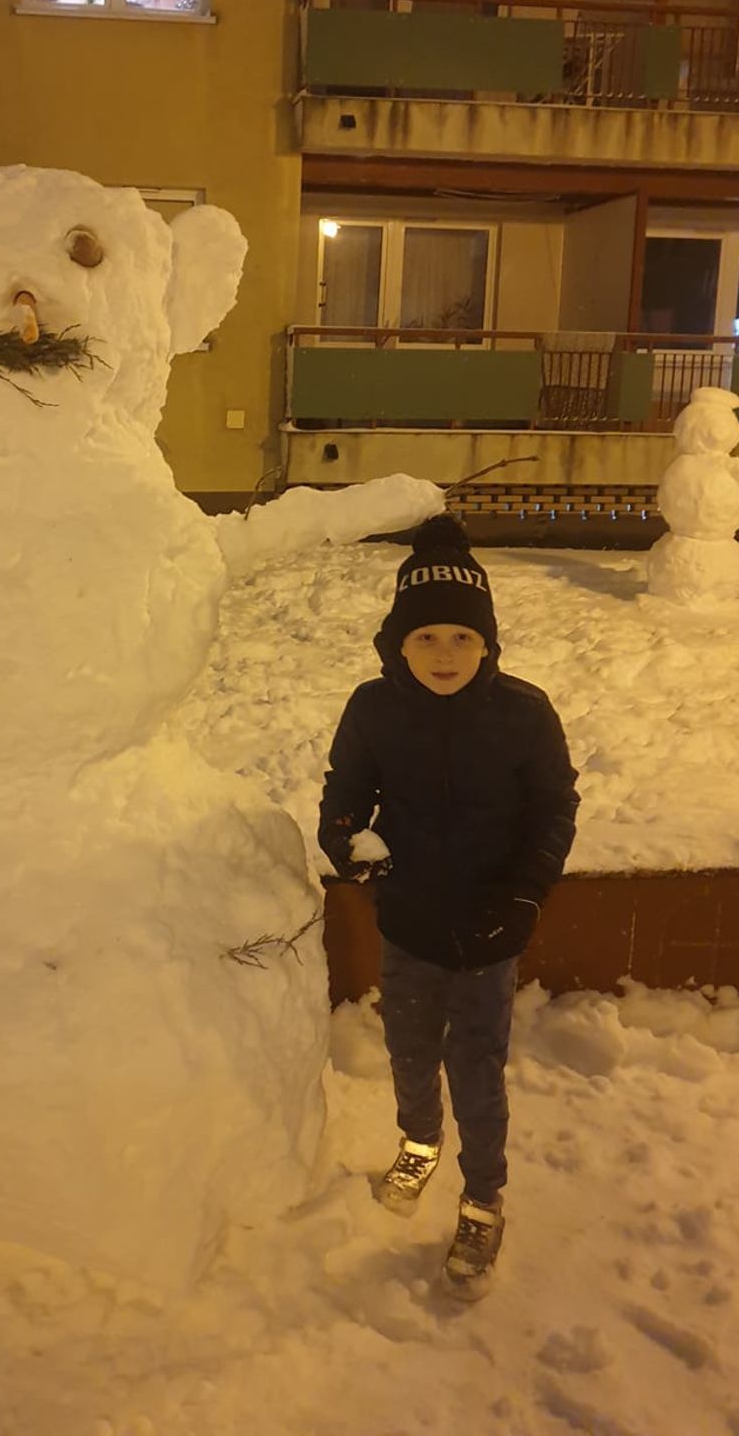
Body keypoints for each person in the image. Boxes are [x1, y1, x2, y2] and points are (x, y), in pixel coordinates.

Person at [318, 512, 578, 1299]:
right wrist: (344, 841)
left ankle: (483, 1197)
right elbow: (345, 792)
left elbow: (553, 811)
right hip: (409, 923)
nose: (444, 654)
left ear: (489, 645)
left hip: (491, 929)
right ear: (396, 643)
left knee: (476, 1067)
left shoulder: (525, 714)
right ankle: (419, 1144)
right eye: (426, 637)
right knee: (406, 1048)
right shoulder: (372, 708)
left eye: (463, 639)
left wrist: (527, 898)